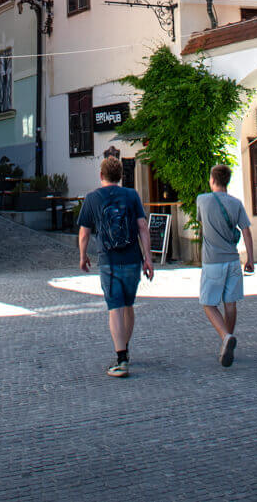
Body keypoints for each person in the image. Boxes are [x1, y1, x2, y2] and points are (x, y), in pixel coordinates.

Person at [78, 155, 154, 378]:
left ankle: (121, 359)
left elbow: (84, 232)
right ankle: (126, 350)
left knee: (114, 308)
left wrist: (83, 256)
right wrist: (148, 258)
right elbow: (143, 227)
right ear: (120, 176)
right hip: (132, 259)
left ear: (101, 175)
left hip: (109, 262)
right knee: (128, 305)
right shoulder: (131, 195)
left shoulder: (92, 198)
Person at [196, 164, 254, 367]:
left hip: (212, 260)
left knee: (208, 303)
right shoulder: (236, 203)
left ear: (213, 180)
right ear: (227, 181)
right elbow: (246, 231)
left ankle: (225, 337)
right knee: (230, 304)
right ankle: (226, 342)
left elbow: (203, 225)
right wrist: (251, 259)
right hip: (232, 259)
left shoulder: (202, 200)